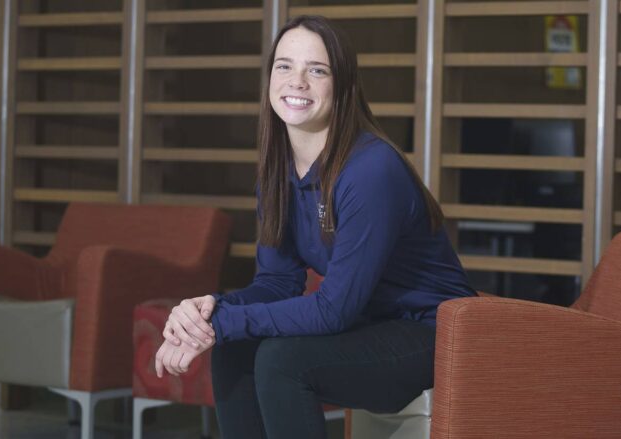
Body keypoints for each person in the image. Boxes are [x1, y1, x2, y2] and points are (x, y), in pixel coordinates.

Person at [154, 15, 475, 439]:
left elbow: (334, 309)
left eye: (317, 70)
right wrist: (210, 310)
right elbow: (275, 283)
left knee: (282, 360)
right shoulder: (277, 173)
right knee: (235, 350)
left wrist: (219, 325)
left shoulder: (371, 170)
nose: (297, 81)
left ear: (342, 87)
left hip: (432, 335)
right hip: (371, 324)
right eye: (284, 66)